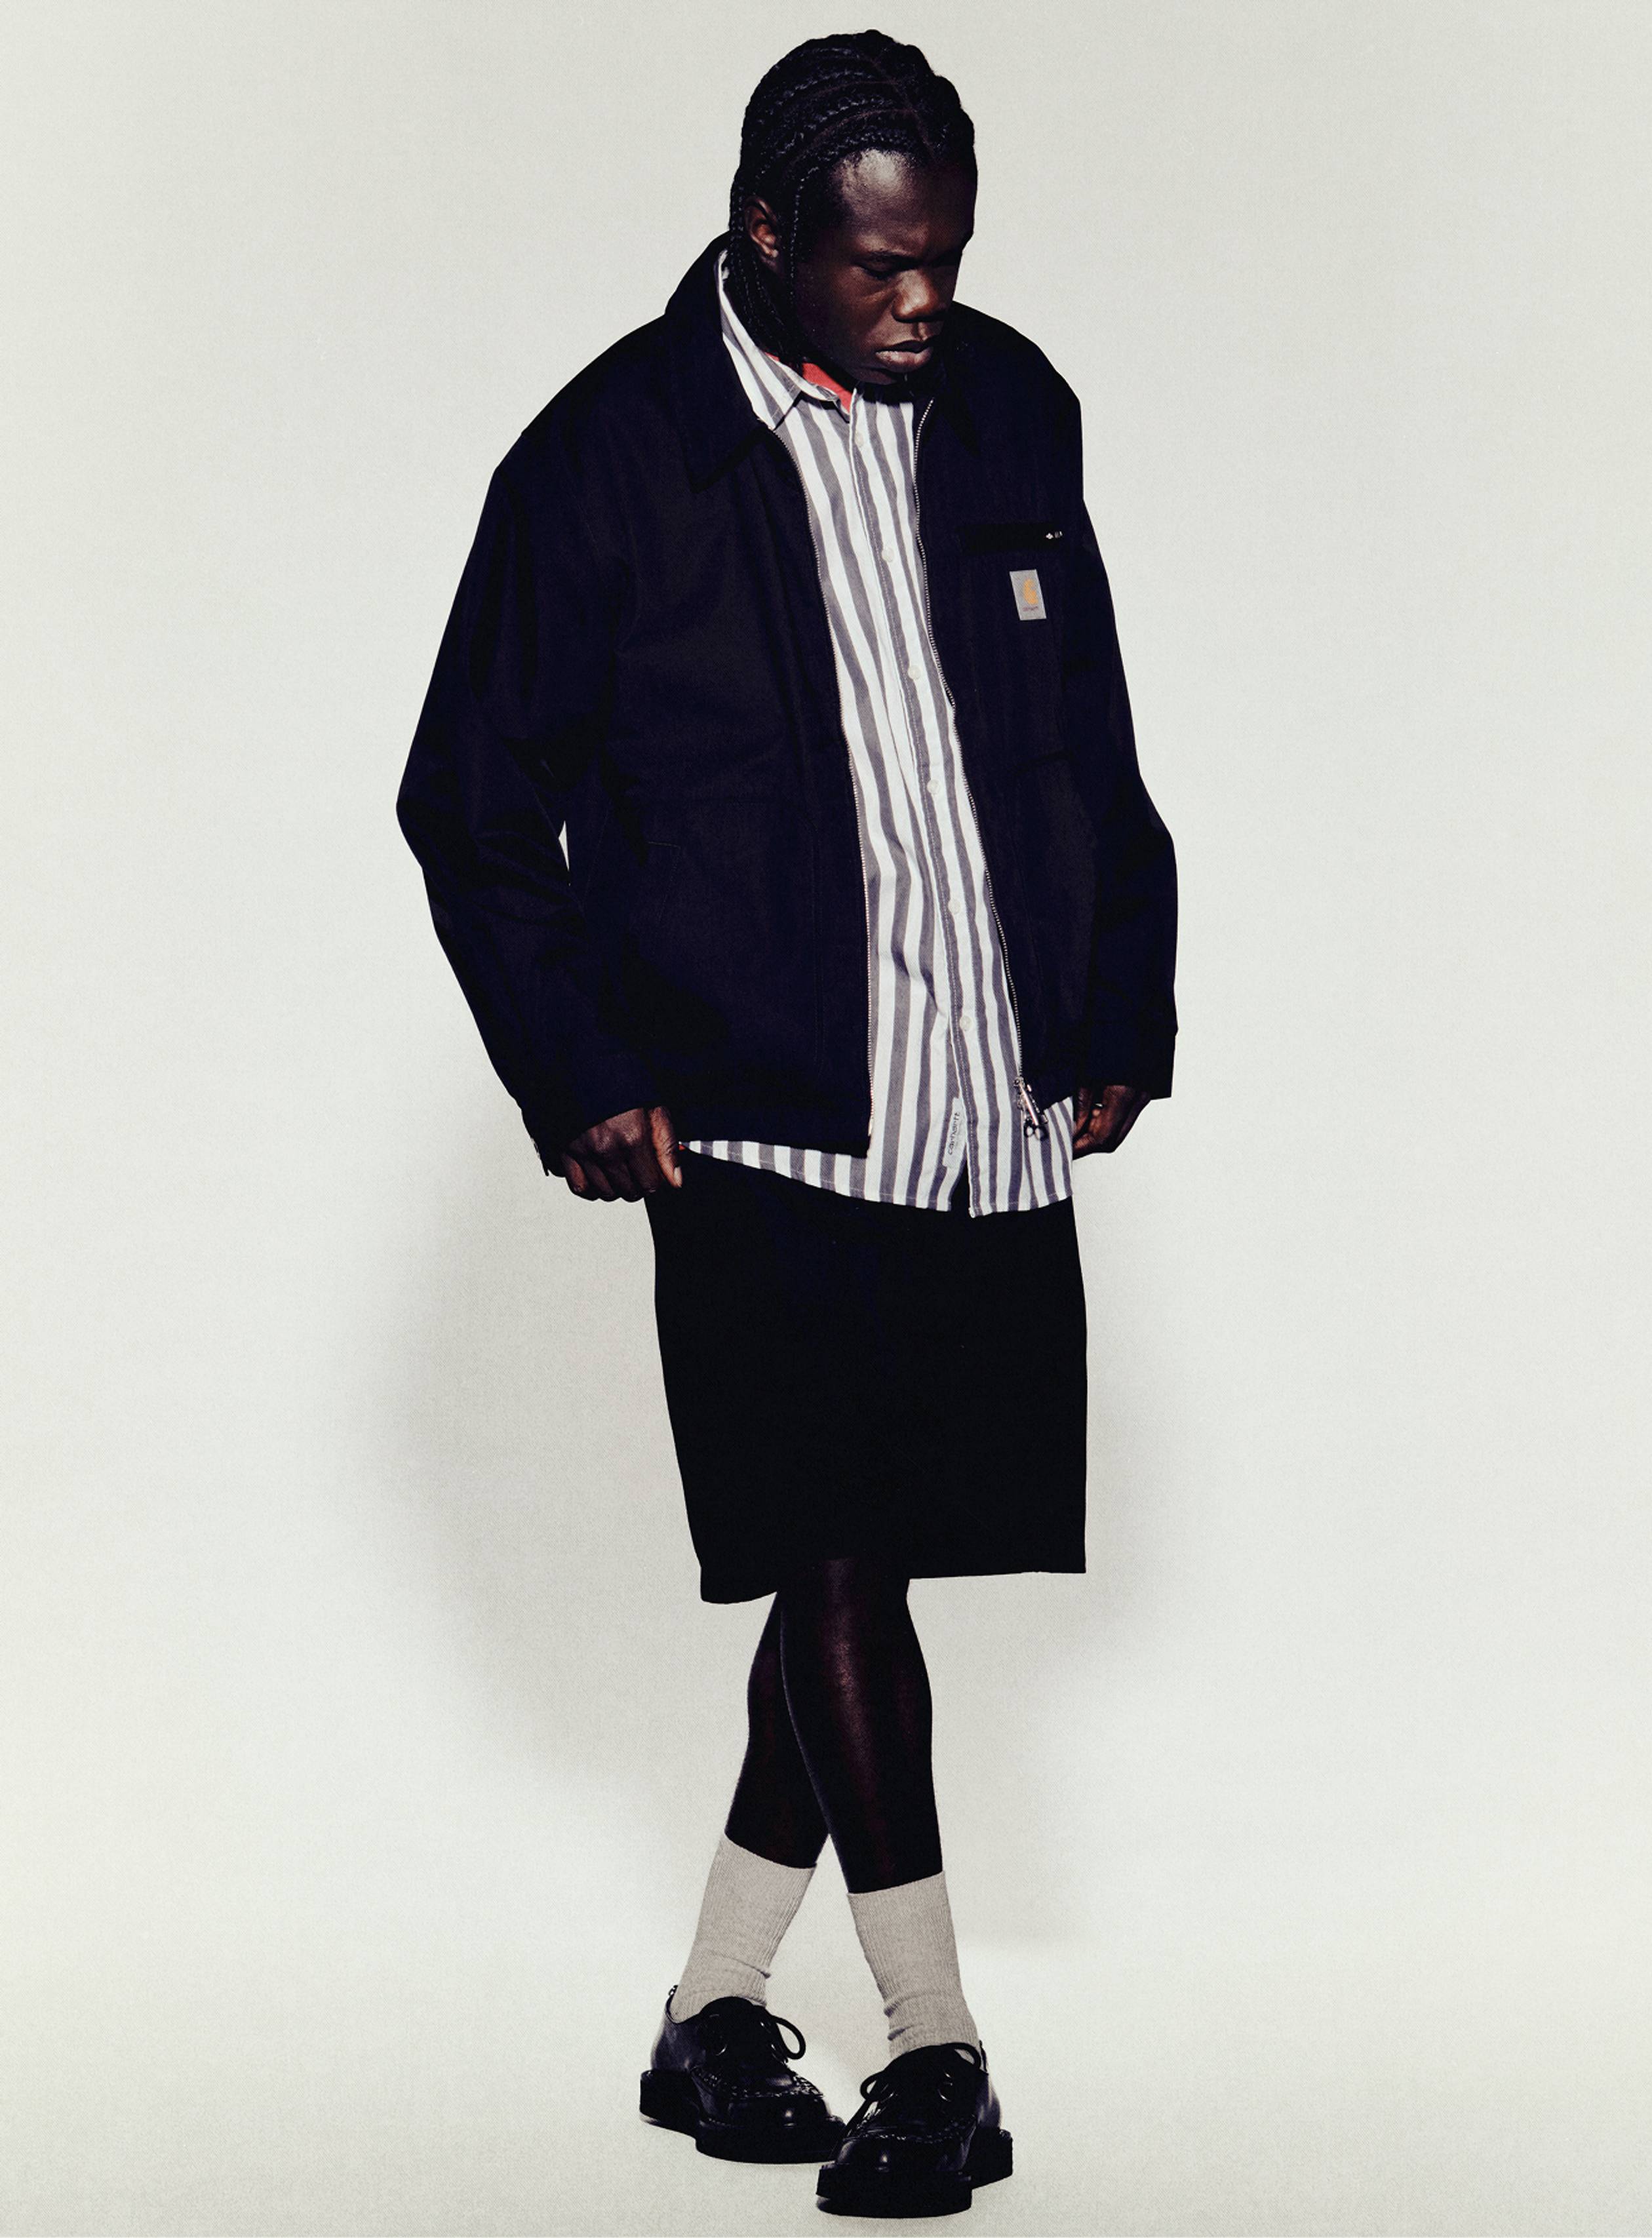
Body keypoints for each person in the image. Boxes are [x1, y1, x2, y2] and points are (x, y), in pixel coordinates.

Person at [397, 29, 1176, 2220]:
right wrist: (581, 1064)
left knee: (872, 1562)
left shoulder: (1010, 407)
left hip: (980, 1096)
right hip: (754, 1117)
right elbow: (472, 799)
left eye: (945, 261)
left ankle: (711, 2010)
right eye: (877, 268)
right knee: (834, 1548)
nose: (921, 304)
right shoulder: (608, 460)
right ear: (765, 234)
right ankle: (941, 2046)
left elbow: (1091, 725)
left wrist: (1121, 997)